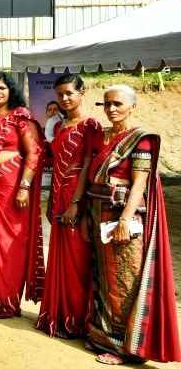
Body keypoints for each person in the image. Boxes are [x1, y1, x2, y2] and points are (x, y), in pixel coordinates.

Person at [83, 85, 180, 364]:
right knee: (104, 280)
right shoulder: (102, 138)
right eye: (107, 104)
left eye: (118, 104)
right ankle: (104, 337)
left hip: (124, 218)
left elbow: (139, 184)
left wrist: (125, 219)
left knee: (125, 281)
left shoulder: (140, 140)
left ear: (132, 107)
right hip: (98, 212)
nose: (111, 109)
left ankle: (127, 349)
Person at [34, 73, 100, 336]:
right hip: (60, 195)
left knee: (78, 259)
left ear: (82, 93)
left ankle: (78, 320)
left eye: (70, 93)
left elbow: (88, 165)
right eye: (60, 94)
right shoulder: (60, 126)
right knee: (60, 257)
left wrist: (76, 203)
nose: (64, 98)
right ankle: (60, 315)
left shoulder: (90, 125)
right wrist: (52, 199)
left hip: (78, 198)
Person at [0, 72, 45, 319]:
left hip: (13, 189)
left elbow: (34, 153)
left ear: (11, 90)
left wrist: (24, 186)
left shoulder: (21, 117)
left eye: (2, 87)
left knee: (10, 245)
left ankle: (7, 300)